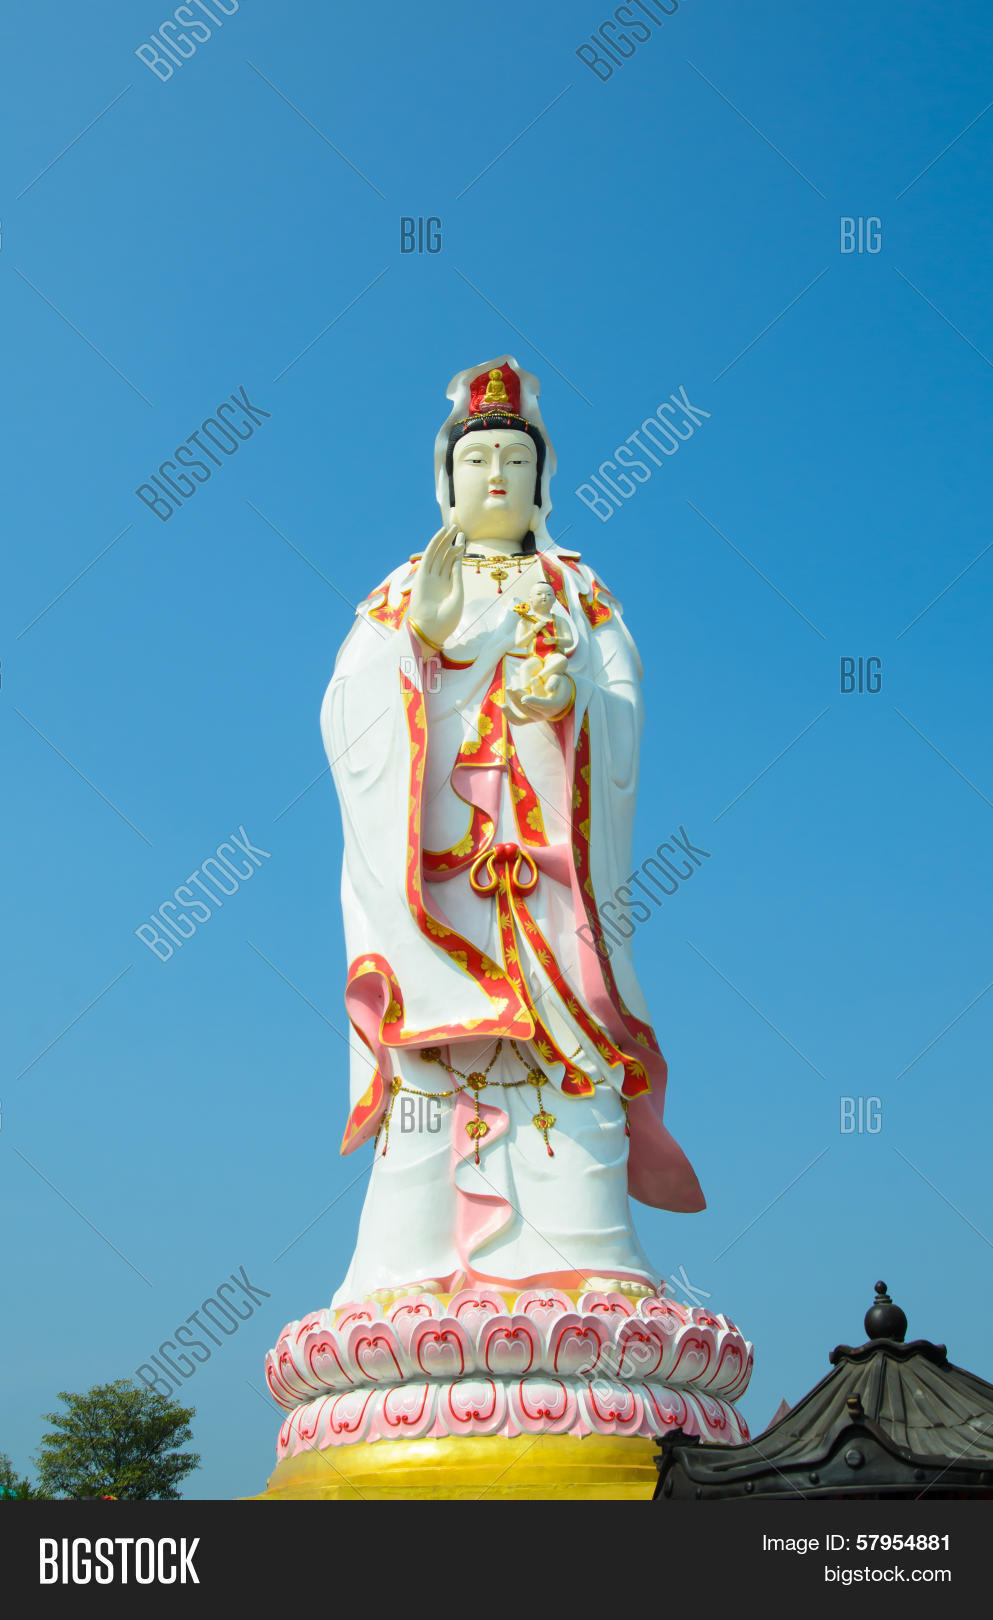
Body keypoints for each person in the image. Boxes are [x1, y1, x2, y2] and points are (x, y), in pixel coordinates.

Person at [320, 356, 703, 1308]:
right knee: (433, 1060)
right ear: (444, 480)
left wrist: (570, 700)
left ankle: (591, 1267)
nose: (495, 476)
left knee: (572, 1056)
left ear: (543, 479)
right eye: (477, 459)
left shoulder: (576, 591)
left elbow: (623, 707)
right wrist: (419, 649)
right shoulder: (404, 591)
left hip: (549, 886)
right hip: (443, 888)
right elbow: (346, 716)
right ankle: (405, 1279)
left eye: (513, 461)